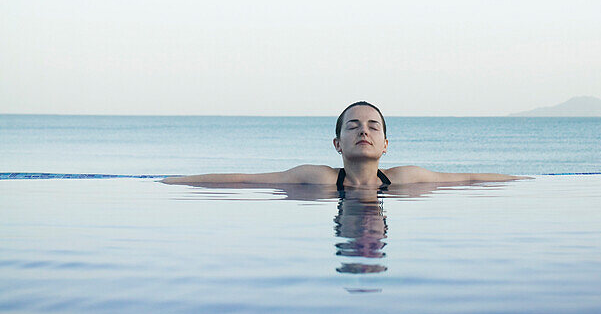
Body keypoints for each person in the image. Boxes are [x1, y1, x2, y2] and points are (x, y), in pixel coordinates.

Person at [162, 101, 520, 189]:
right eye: (353, 126)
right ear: (337, 143)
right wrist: (174, 181)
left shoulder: (406, 178)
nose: (363, 131)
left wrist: (524, 180)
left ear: (385, 144)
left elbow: (467, 179)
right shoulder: (317, 178)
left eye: (372, 126)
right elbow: (245, 179)